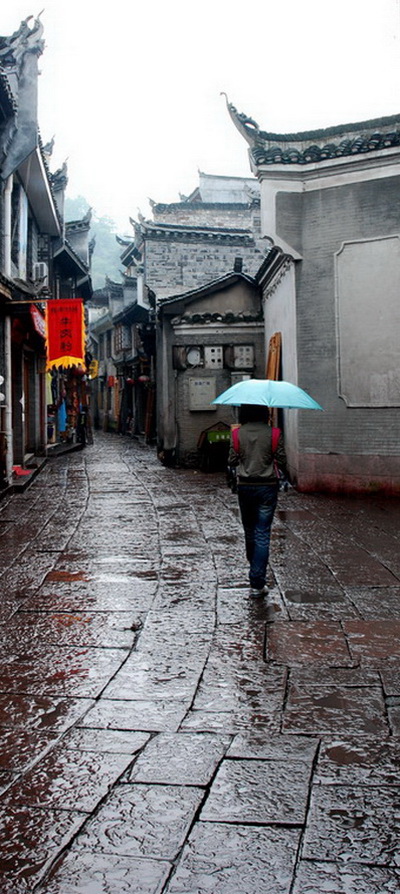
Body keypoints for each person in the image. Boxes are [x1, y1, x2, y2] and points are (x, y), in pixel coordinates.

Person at [228, 404, 287, 597]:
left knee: (250, 531)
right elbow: (282, 459)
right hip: (267, 487)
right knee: (263, 533)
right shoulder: (275, 433)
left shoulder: (237, 434)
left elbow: (232, 460)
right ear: (264, 412)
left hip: (245, 487)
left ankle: (254, 569)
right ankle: (257, 581)